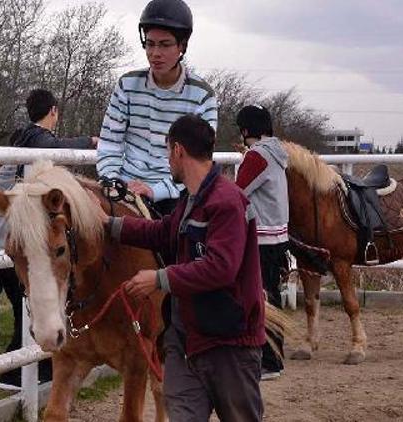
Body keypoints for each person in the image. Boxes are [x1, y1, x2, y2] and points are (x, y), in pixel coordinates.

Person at [102, 114, 265, 421]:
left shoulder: (227, 203)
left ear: (177, 150)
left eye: (167, 152)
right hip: (187, 339)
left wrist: (160, 279)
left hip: (229, 345)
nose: (167, 161)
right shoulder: (193, 199)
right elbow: (164, 231)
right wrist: (111, 225)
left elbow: (221, 268)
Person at [0, 88, 97, 390]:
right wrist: (89, 142)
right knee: (31, 305)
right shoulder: (38, 139)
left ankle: (33, 368)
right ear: (53, 111)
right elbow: (55, 146)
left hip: (20, 235)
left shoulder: (22, 138)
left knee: (32, 304)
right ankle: (15, 373)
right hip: (31, 236)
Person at [96, 0, 218, 216]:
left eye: (165, 44)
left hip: (175, 193)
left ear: (182, 46)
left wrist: (156, 190)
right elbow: (110, 143)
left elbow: (198, 161)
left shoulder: (203, 95)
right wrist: (111, 180)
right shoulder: (127, 84)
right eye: (150, 44)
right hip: (124, 188)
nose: (155, 53)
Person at [235, 105, 290, 381]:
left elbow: (237, 191)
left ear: (246, 130)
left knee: (262, 298)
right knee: (272, 295)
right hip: (278, 235)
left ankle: (270, 361)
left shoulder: (257, 156)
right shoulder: (277, 154)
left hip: (261, 237)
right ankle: (273, 356)